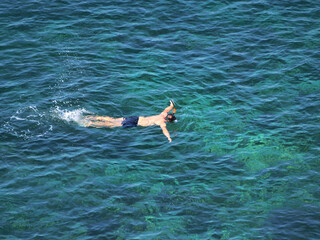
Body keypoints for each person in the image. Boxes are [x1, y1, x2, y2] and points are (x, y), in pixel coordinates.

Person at [84, 100, 177, 143]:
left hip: (136, 118)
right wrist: (169, 138)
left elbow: (167, 109)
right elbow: (164, 130)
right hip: (135, 123)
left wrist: (172, 105)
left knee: (112, 120)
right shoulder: (162, 122)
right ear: (168, 121)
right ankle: (89, 123)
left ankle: (91, 117)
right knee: (111, 125)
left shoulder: (162, 114)